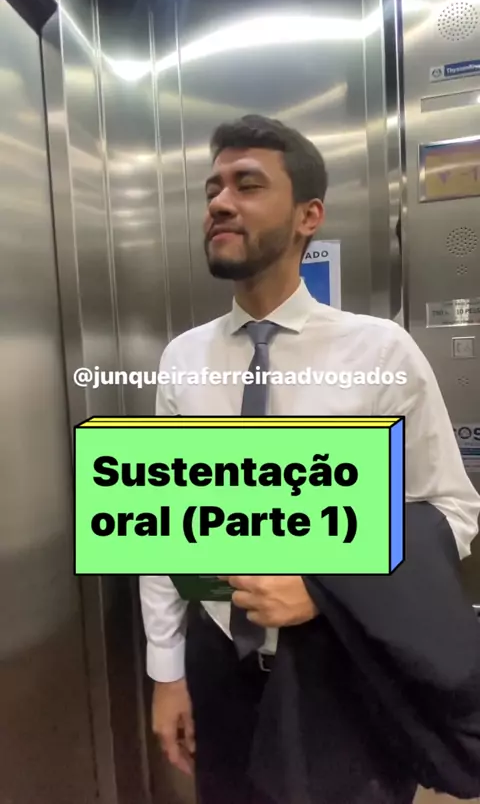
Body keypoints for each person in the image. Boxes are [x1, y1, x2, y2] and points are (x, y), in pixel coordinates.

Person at [139, 114, 480, 804]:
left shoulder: (379, 352)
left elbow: (452, 513)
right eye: (212, 188)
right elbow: (164, 526)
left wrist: (325, 585)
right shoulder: (183, 358)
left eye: (247, 185)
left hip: (341, 669)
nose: (220, 203)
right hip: (219, 666)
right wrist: (167, 669)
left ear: (308, 216)